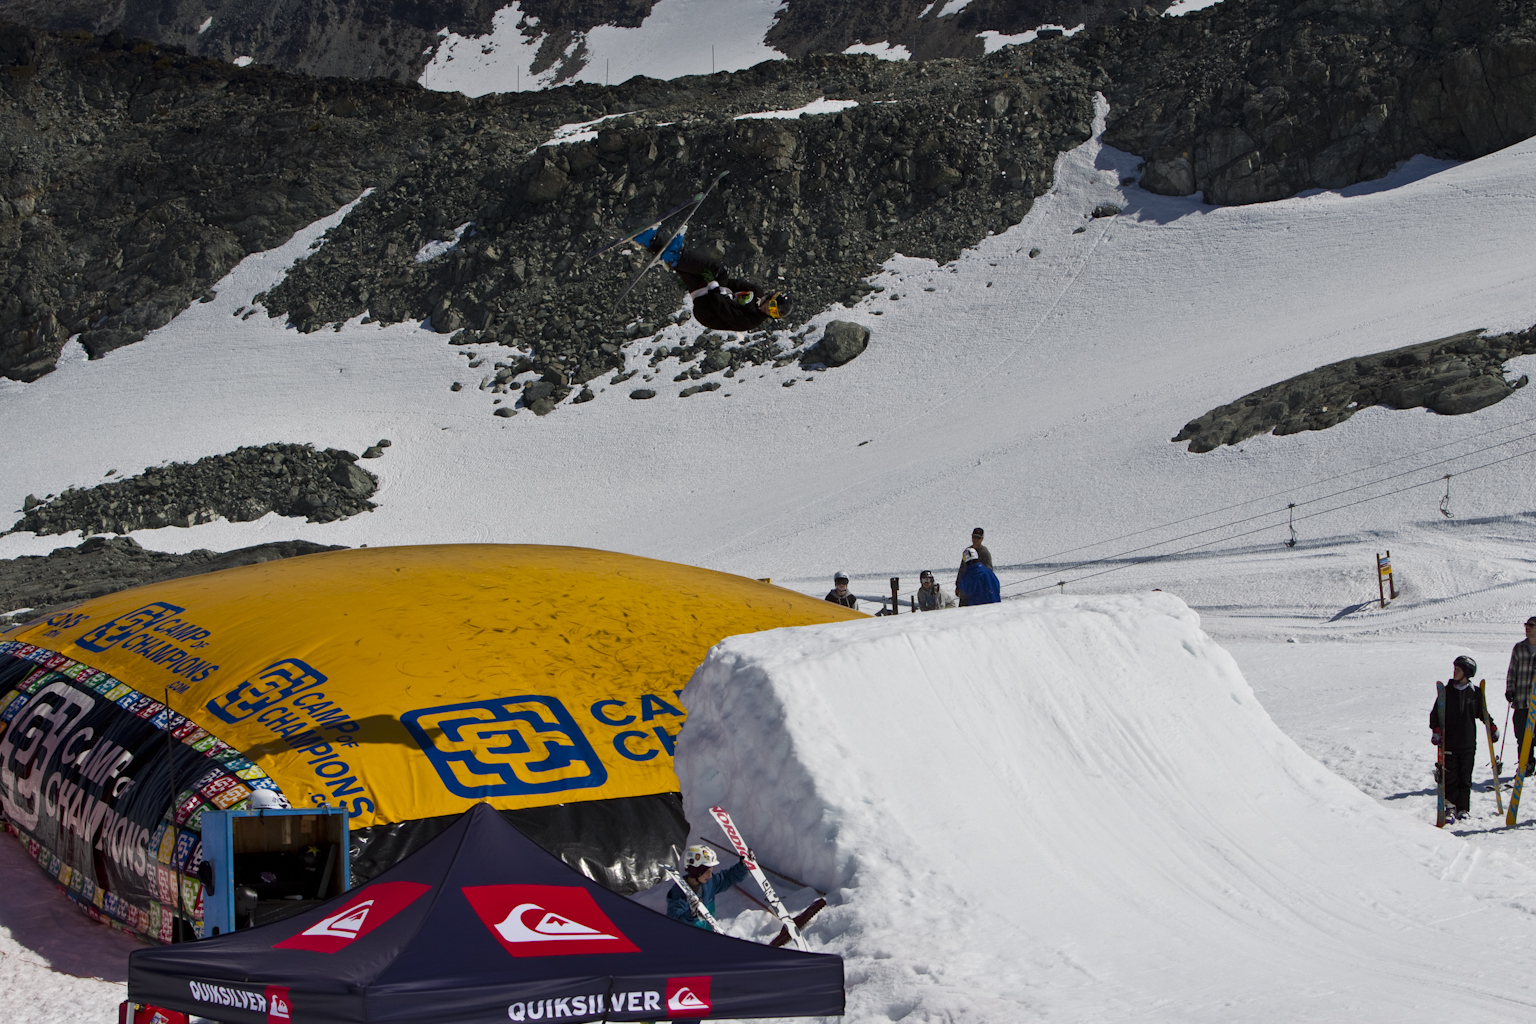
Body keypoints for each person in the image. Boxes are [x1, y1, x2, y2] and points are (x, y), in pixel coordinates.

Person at [639, 227, 790, 332]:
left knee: (717, 269)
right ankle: (650, 241)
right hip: (712, 297)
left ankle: (675, 255)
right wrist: (716, 286)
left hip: (708, 312)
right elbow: (733, 283)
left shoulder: (752, 320)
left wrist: (715, 289)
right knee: (702, 273)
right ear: (770, 297)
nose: (768, 311)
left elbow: (725, 311)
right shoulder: (755, 291)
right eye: (771, 307)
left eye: (773, 313)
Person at [1432, 655, 1497, 821]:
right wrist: (1437, 729)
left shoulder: (1474, 693)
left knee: (1465, 778)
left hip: (1468, 743)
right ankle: (1450, 807)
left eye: (1458, 669)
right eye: (1454, 668)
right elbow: (1435, 714)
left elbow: (1482, 713)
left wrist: (1491, 726)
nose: (1454, 671)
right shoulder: (1446, 692)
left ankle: (1463, 808)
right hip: (1450, 744)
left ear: (1467, 672)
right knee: (1450, 777)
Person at [666, 844, 749, 930]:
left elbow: (726, 879)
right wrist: (691, 914)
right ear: (696, 871)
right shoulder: (679, 896)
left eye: (711, 871)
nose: (710, 875)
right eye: (707, 871)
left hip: (708, 936)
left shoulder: (708, 883)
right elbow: (674, 923)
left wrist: (742, 866)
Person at [1506, 617, 1536, 774]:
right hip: (1522, 700)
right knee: (1522, 735)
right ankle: (1526, 763)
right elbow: (1512, 671)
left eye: (1531, 625)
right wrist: (1510, 689)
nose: (1527, 628)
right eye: (1526, 625)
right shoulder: (1519, 648)